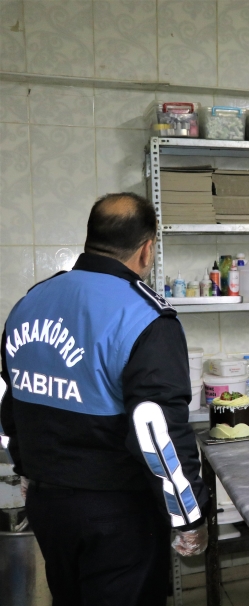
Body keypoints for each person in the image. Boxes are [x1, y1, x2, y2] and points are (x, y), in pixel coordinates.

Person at [0, 193, 210, 604]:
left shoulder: (31, 302)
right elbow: (159, 431)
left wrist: (25, 470)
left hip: (46, 502)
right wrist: (190, 517)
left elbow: (10, 399)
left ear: (91, 237)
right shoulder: (145, 315)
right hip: (117, 513)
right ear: (147, 248)